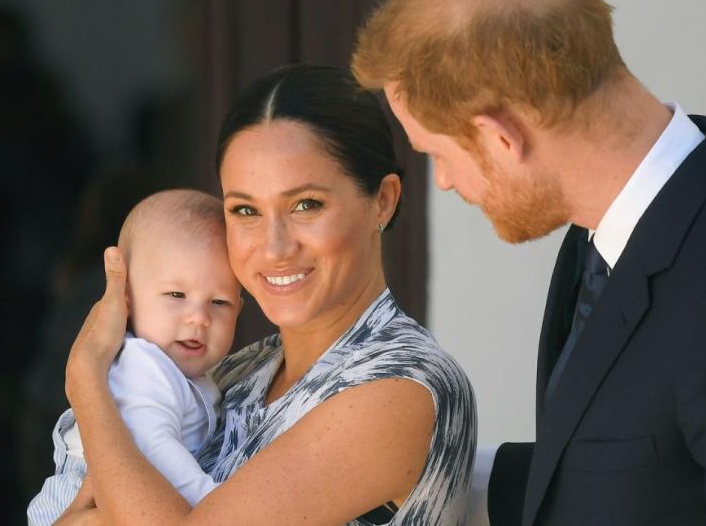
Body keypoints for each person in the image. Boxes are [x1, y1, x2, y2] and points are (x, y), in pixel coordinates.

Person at [352, 0, 706, 525]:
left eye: (437, 154)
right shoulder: (611, 228)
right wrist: (414, 469)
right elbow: (632, 473)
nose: (447, 181)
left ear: (501, 137)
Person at [57, 64, 476, 525]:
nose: (274, 247)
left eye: (306, 205)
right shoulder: (238, 372)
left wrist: (87, 382)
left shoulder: (401, 385)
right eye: (245, 210)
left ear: (383, 200)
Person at [28, 189, 243, 524]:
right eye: (176, 294)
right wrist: (212, 503)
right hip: (82, 500)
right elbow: (154, 449)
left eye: (219, 302)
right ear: (126, 298)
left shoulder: (190, 374)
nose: (199, 318)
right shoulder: (143, 366)